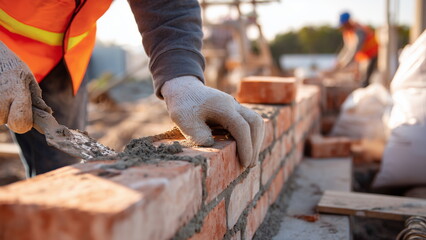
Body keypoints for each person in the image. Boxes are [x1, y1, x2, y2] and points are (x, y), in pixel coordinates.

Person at [0, 0, 264, 177]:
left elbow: (167, 4)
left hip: (62, 60)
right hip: (4, 53)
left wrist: (182, 79)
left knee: (58, 175)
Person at [334, 12, 379, 87]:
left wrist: (345, 63)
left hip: (373, 54)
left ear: (348, 22)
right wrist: (339, 60)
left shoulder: (359, 30)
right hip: (364, 57)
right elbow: (347, 48)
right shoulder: (347, 32)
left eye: (343, 25)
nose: (342, 27)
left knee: (366, 79)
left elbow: (355, 49)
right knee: (360, 77)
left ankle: (366, 91)